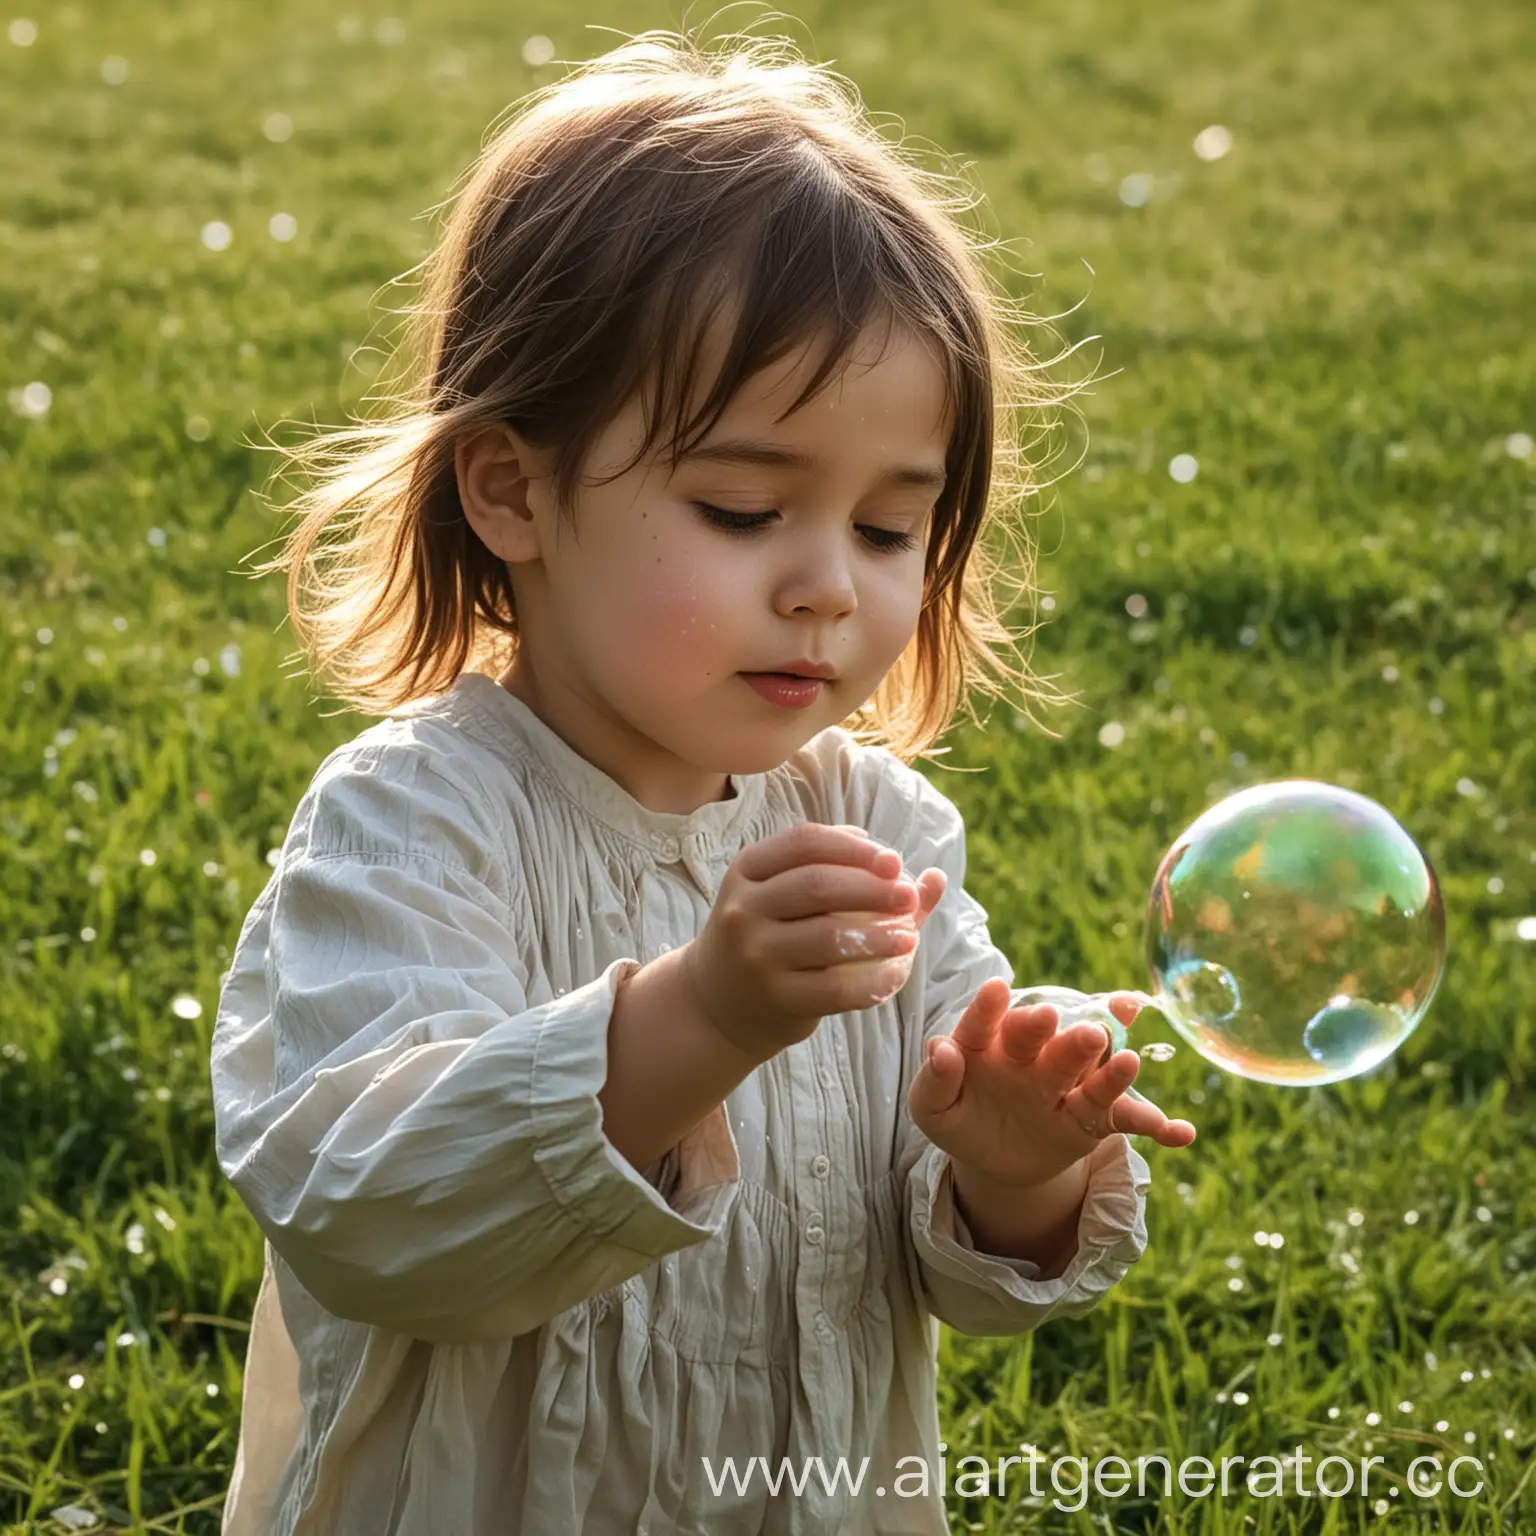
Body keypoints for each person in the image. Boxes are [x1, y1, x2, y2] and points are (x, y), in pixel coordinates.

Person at [210, 27, 1197, 1535]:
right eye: (744, 508)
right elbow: (378, 1217)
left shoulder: (881, 832)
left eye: (886, 532)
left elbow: (959, 1282)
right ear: (512, 489)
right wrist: (706, 1018)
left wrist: (1014, 1173)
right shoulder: (412, 825)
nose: (827, 588)